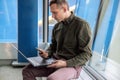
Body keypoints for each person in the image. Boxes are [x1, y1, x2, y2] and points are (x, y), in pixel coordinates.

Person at [22, 0, 92, 80]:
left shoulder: (82, 25)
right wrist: (47, 53)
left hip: (71, 65)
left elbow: (87, 54)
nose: (52, 16)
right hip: (54, 61)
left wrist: (65, 63)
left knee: (53, 78)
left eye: (55, 13)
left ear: (65, 9)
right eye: (52, 13)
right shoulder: (57, 27)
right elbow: (53, 47)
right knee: (27, 71)